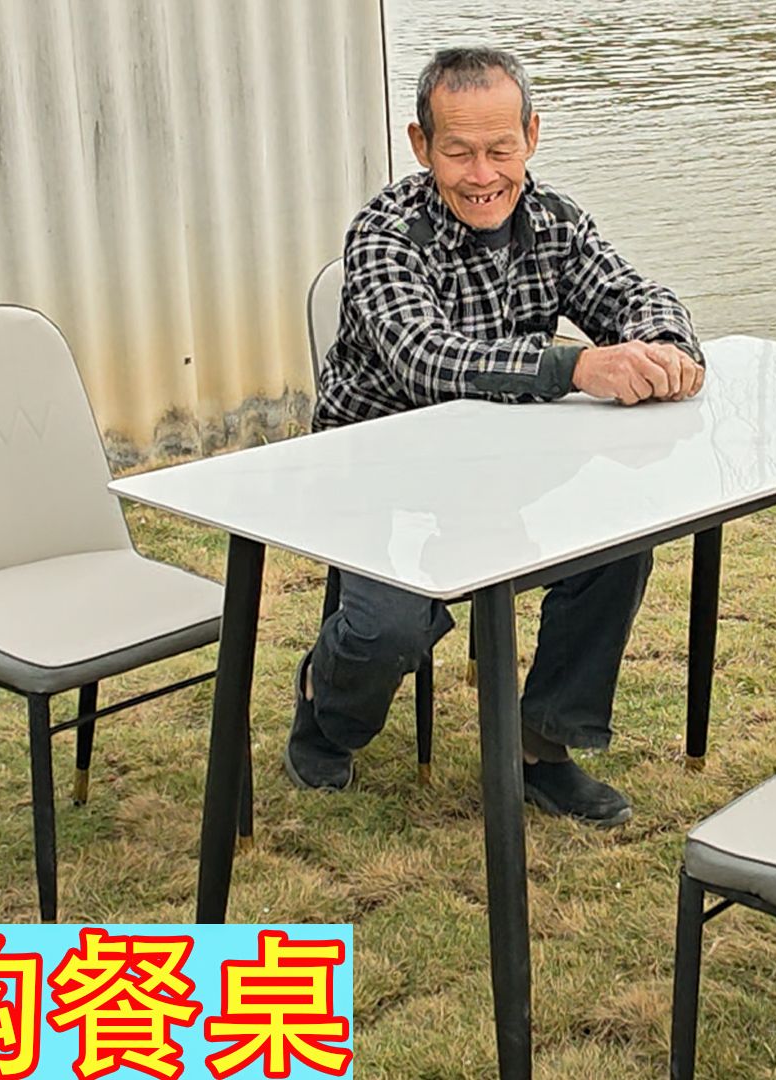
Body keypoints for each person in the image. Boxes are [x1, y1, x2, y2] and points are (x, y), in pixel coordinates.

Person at [290, 45, 705, 827]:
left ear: (531, 136)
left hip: (500, 462)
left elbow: (634, 292)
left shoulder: (555, 220)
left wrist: (664, 347)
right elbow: (426, 359)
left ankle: (539, 746)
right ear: (421, 145)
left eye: (500, 149)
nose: (483, 175)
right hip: (371, 466)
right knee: (391, 627)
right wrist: (577, 366)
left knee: (622, 542)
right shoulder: (383, 233)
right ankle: (324, 699)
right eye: (459, 152)